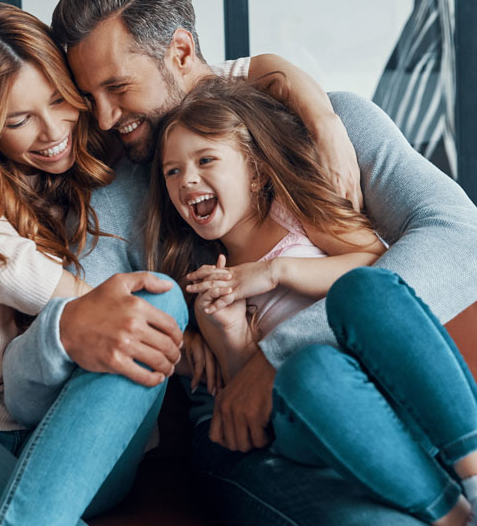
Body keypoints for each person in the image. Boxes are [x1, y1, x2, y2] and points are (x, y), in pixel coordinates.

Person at [3, 0, 477, 525]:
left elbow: (460, 240)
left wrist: (277, 356)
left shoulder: (327, 124)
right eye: (89, 96)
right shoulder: (110, 197)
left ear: (180, 52)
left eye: (118, 87)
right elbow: (86, 335)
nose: (104, 118)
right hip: (248, 441)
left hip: (376, 401)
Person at [0, 2, 188, 526]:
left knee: (158, 297)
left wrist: (285, 79)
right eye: (19, 121)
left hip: (79, 434)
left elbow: (192, 80)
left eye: (60, 100)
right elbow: (8, 264)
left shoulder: (107, 143)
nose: (51, 132)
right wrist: (83, 312)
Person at [145, 76, 477, 526]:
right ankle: (454, 518)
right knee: (308, 372)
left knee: (363, 291)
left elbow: (377, 265)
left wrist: (275, 270)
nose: (188, 180)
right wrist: (230, 331)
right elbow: (247, 397)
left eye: (206, 160)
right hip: (306, 415)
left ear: (256, 171)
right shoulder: (207, 279)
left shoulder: (295, 215)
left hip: (374, 392)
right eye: (172, 171)